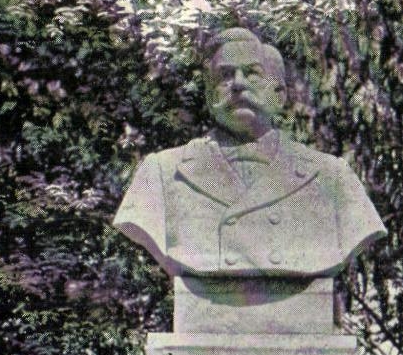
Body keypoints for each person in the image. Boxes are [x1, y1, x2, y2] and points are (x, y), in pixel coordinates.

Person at [113, 26, 386, 278]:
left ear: (279, 95)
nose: (238, 84)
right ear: (209, 94)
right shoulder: (162, 173)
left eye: (252, 73)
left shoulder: (332, 176)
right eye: (225, 75)